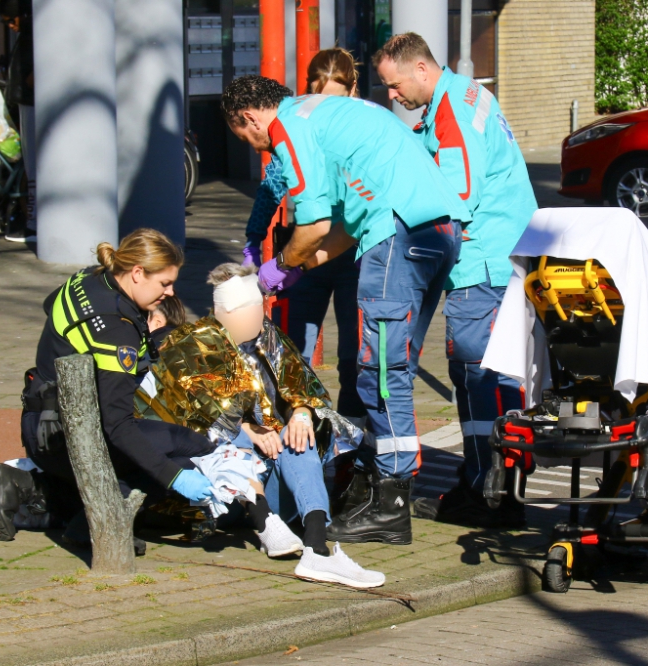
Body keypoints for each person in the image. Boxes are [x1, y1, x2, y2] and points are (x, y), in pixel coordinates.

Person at [221, 75, 469, 545]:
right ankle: (369, 490)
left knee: (378, 370)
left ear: (250, 118)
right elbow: (342, 230)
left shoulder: (287, 128)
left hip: (397, 234)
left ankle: (390, 504)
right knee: (396, 366)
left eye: (246, 138)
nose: (259, 149)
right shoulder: (328, 115)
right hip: (438, 231)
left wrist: (275, 268)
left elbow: (311, 225)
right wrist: (301, 265)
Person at [374, 33, 537, 528]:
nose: (392, 95)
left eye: (394, 84)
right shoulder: (468, 94)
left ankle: (488, 491)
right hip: (507, 251)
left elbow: (454, 200)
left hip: (481, 262)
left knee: (475, 373)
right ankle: (498, 482)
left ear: (421, 69)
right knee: (500, 375)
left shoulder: (451, 114)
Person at [140, 262, 384, 587]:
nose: (257, 316)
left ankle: (316, 546)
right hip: (220, 495)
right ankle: (265, 521)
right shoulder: (194, 345)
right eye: (249, 310)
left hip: (273, 474)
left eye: (258, 309)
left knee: (300, 436)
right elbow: (192, 425)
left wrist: (300, 413)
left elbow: (301, 381)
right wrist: (247, 429)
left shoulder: (267, 337)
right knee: (227, 441)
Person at [0, 229, 220, 543]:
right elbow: (118, 426)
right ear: (137, 273)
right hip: (67, 439)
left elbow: (49, 302)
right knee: (187, 453)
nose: (172, 293)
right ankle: (99, 527)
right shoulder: (117, 330)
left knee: (157, 450)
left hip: (39, 423)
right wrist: (173, 476)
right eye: (165, 283)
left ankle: (26, 487)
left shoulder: (89, 279)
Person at [243, 48, 365, 421]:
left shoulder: (362, 124)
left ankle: (351, 436)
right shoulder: (298, 124)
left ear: (352, 89)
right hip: (309, 250)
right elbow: (273, 183)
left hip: (356, 250)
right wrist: (253, 237)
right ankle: (299, 425)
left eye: (335, 98)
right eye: (319, 96)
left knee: (354, 356)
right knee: (293, 347)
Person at [0, 0, 36, 243]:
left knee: (33, 164)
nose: (11, 26)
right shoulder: (29, 34)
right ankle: (32, 221)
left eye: (12, 20)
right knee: (30, 164)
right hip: (26, 101)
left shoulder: (33, 36)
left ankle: (33, 224)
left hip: (31, 102)